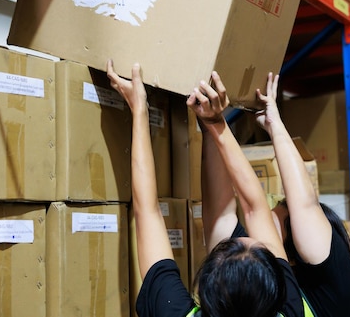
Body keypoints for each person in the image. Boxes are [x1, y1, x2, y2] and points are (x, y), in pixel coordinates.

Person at [106, 61, 304, 317]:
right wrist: (211, 124)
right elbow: (253, 209)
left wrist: (140, 111)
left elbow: (254, 209)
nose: (247, 236)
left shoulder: (289, 308)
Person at [200, 71, 350, 317]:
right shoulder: (260, 271)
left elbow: (305, 205)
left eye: (274, 219)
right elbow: (220, 219)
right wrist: (208, 127)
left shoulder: (334, 292)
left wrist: (274, 124)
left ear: (294, 255)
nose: (262, 221)